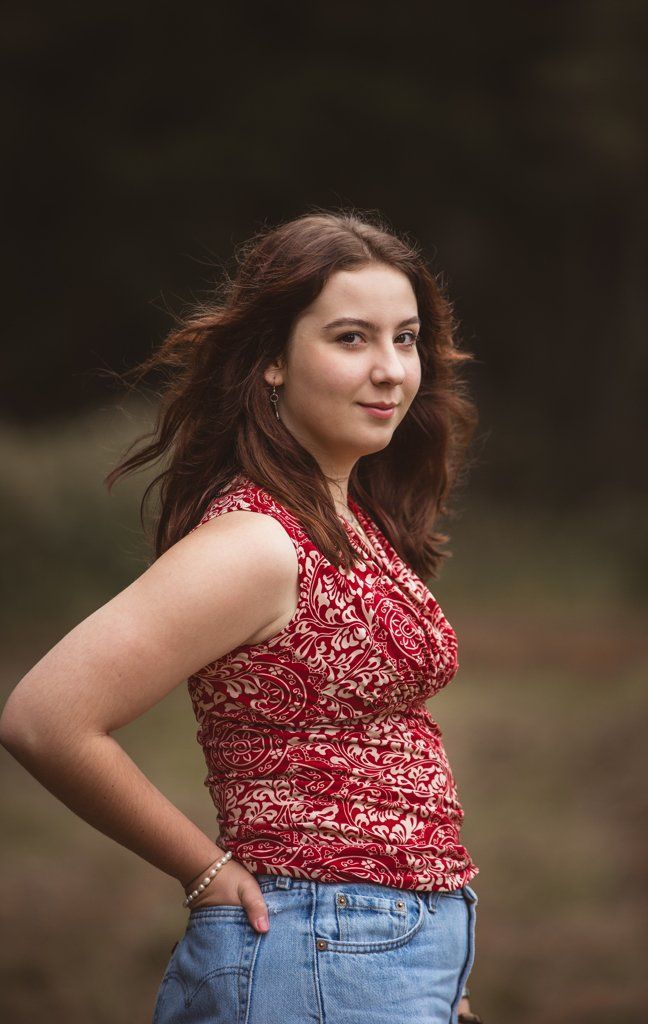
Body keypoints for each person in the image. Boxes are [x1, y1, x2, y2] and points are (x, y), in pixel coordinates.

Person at [0, 209, 484, 1023]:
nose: (390, 370)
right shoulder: (255, 541)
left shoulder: (346, 518)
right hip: (318, 944)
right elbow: (45, 718)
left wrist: (441, 974)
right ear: (271, 361)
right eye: (351, 338)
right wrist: (204, 872)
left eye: (405, 339)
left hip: (387, 951)